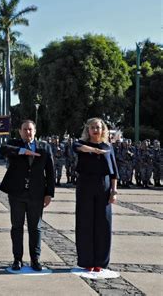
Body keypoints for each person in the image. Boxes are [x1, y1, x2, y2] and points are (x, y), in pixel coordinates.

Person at [0, 120, 55, 271]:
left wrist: (49, 193)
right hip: (17, 193)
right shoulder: (14, 144)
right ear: (20, 131)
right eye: (25, 130)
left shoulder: (44, 147)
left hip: (36, 194)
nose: (27, 132)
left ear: (35, 131)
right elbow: (3, 150)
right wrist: (22, 151)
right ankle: (17, 259)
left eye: (30, 130)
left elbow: (50, 172)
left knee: (35, 227)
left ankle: (35, 259)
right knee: (16, 226)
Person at [73, 117, 118, 272]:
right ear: (88, 129)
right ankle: (87, 261)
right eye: (92, 127)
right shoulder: (80, 144)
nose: (95, 130)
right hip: (85, 186)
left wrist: (114, 192)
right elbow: (78, 147)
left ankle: (100, 261)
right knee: (85, 222)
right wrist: (94, 150)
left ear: (103, 129)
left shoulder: (108, 147)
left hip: (104, 187)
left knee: (103, 224)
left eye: (98, 127)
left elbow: (114, 173)